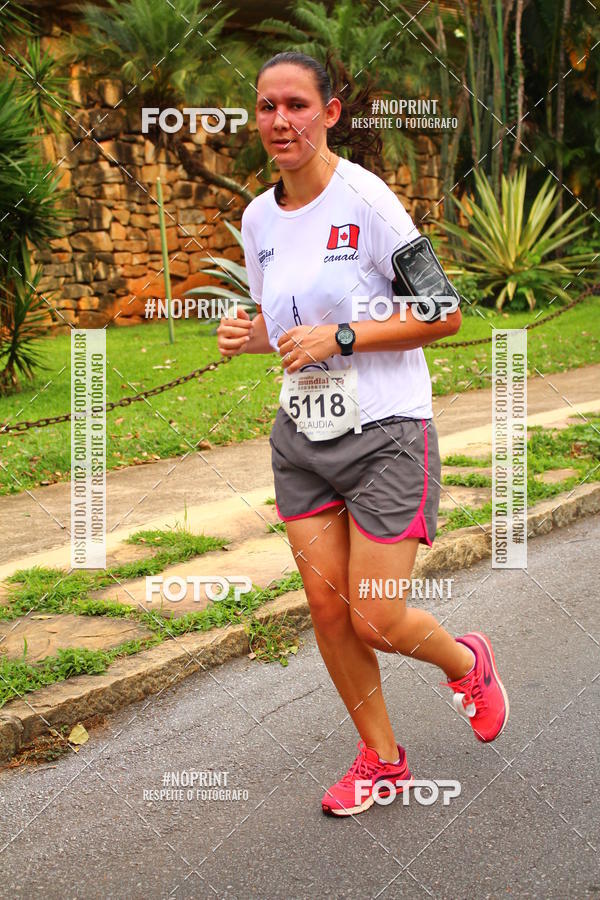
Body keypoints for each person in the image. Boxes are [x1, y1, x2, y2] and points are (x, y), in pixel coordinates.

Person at [217, 51, 509, 817]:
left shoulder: (368, 202)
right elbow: (289, 329)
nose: (280, 120)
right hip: (304, 439)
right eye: (267, 104)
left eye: (297, 105)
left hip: (386, 435)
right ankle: (382, 759)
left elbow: (442, 312)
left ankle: (465, 661)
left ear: (330, 112)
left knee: (375, 615)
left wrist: (342, 337)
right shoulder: (256, 218)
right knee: (323, 609)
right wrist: (249, 336)